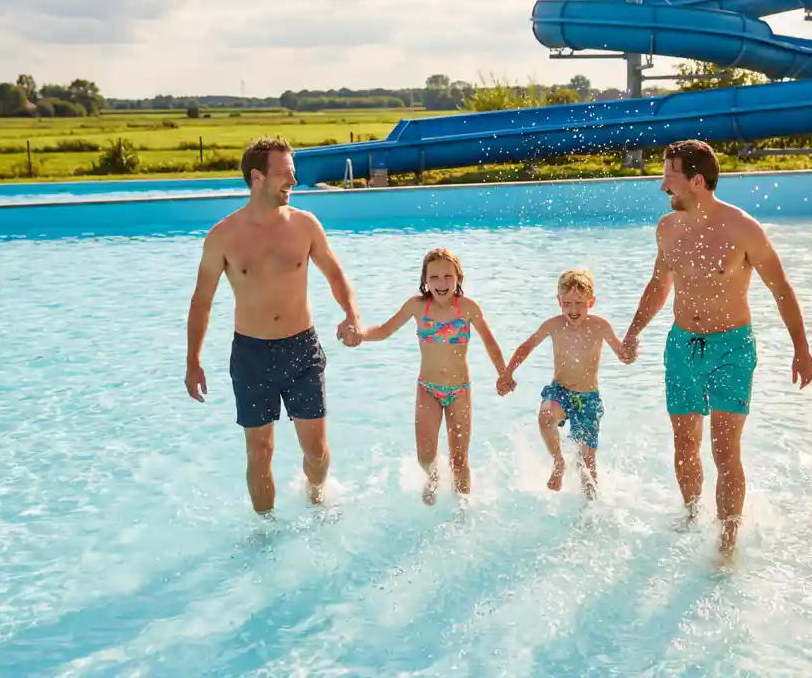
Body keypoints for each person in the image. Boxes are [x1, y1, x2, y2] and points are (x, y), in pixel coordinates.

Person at [621, 139, 812, 555]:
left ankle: (726, 543)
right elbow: (659, 284)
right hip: (681, 347)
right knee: (684, 444)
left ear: (695, 180)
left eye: (668, 178)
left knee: (725, 450)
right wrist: (634, 330)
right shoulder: (667, 227)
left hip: (732, 348)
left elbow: (780, 288)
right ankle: (693, 515)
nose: (662, 188)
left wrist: (801, 348)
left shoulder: (743, 228)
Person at [185, 136, 362, 515]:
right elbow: (202, 302)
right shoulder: (223, 236)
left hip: (302, 349)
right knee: (259, 452)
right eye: (285, 175)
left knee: (316, 452)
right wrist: (193, 360)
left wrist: (351, 314)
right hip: (251, 354)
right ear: (257, 177)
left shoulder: (305, 225)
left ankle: (316, 496)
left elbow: (335, 275)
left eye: (293, 174)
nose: (294, 183)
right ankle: (265, 531)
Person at [348, 248, 511, 505]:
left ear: (458, 277)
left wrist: (503, 373)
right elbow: (384, 330)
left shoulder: (468, 308)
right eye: (434, 277)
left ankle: (462, 509)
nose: (441, 283)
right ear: (425, 279)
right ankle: (433, 477)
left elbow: (490, 343)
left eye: (448, 276)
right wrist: (360, 334)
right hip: (428, 389)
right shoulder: (417, 306)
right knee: (425, 455)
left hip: (459, 390)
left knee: (459, 459)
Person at [497, 270, 635, 500]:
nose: (573, 310)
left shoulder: (600, 326)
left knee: (587, 463)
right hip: (560, 391)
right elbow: (526, 346)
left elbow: (622, 354)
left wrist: (629, 353)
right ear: (559, 301)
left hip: (588, 398)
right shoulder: (553, 325)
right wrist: (508, 373)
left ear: (591, 301)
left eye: (579, 303)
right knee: (545, 416)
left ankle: (590, 508)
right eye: (567, 303)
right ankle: (558, 461)